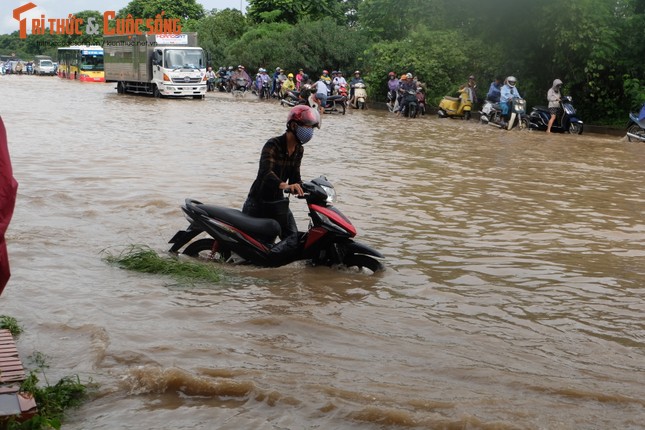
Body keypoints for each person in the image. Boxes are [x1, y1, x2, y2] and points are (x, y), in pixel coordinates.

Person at [242, 105, 321, 257]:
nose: (310, 132)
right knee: (251, 248)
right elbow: (266, 173)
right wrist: (285, 185)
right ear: (293, 125)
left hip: (278, 202)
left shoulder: (299, 149)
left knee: (293, 240)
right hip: (258, 202)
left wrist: (308, 189)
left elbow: (295, 177)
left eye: (312, 128)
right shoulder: (273, 144)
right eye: (307, 127)